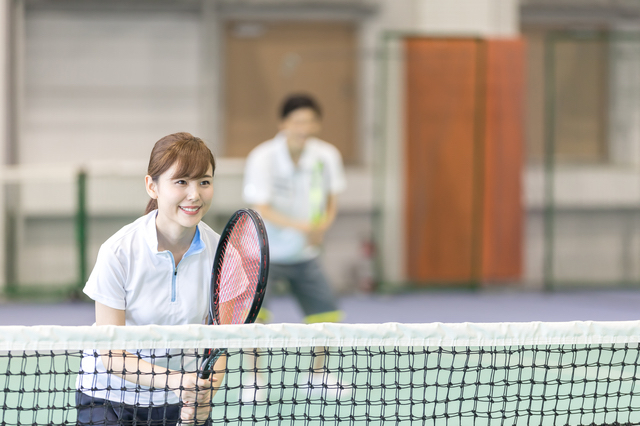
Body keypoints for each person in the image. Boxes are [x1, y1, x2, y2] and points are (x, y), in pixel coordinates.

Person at [75, 132, 224, 425]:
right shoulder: (118, 251)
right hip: (109, 398)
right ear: (152, 186)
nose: (194, 194)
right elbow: (112, 354)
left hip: (180, 399)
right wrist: (176, 381)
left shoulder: (222, 254)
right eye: (181, 181)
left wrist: (205, 397)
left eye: (204, 182)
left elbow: (221, 341)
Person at [242, 94, 347, 401]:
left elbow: (332, 198)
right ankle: (254, 379)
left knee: (326, 315)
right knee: (256, 320)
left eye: (310, 121)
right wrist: (305, 228)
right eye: (297, 121)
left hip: (307, 254)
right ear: (283, 123)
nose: (304, 127)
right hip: (265, 253)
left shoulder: (327, 155)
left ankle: (318, 376)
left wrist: (323, 227)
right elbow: (260, 206)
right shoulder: (262, 157)